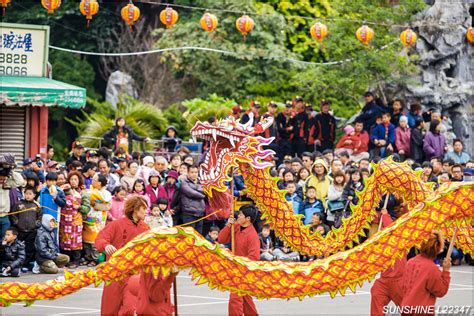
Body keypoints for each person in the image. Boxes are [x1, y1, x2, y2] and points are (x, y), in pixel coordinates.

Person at [95, 195, 150, 315]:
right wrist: (106, 245)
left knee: (130, 308)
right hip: (114, 273)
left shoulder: (145, 228)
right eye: (144, 209)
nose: (146, 212)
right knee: (110, 309)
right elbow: (101, 238)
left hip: (134, 274)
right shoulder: (117, 224)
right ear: (135, 210)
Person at [218, 205, 260, 316]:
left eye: (241, 214)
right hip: (235, 267)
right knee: (246, 300)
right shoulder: (236, 226)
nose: (238, 216)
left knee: (235, 299)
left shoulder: (253, 236)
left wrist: (240, 265)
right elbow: (221, 239)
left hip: (244, 271)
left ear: (248, 219)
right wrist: (228, 225)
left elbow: (254, 258)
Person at [400, 231, 451, 316]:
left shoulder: (410, 262)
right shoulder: (431, 268)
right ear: (437, 249)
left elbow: (403, 286)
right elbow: (441, 291)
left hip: (406, 308)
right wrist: (446, 271)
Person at [370, 209, 406, 316]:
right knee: (376, 291)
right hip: (384, 281)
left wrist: (385, 215)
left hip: (400, 280)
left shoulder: (400, 235)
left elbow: (393, 230)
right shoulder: (378, 242)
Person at [83, 174, 112, 267]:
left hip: (98, 220)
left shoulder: (105, 194)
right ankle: (88, 257)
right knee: (86, 240)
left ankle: (95, 259)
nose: (93, 181)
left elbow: (106, 205)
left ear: (100, 183)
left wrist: (95, 204)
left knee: (95, 240)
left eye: (95, 179)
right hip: (89, 218)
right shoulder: (89, 191)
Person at [10, 186, 42, 270]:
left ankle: (26, 264)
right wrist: (16, 223)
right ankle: (18, 264)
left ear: (34, 195)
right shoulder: (19, 204)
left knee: (29, 248)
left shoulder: (36, 205)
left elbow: (40, 216)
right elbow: (13, 214)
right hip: (20, 230)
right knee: (19, 247)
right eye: (26, 193)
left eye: (30, 194)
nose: (28, 195)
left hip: (31, 231)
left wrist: (36, 224)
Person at [0, 154, 26, 238]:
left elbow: (20, 181)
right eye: (0, 179)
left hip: (4, 217)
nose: (2, 181)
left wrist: (11, 171)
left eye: (4, 179)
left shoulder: (7, 183)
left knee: (5, 239)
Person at [39, 172, 67, 245]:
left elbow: (63, 204)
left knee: (54, 235)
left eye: (53, 181)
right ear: (46, 181)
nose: (51, 183)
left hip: (55, 218)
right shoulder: (42, 191)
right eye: (49, 181)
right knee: (43, 235)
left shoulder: (59, 191)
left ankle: (55, 252)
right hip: (43, 217)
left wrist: (55, 197)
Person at [180, 164, 206, 234]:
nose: (194, 174)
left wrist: (197, 189)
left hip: (200, 213)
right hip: (189, 213)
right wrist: (202, 194)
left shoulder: (201, 182)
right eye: (192, 172)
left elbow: (206, 191)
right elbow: (191, 193)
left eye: (196, 172)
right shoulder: (184, 182)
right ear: (188, 173)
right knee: (189, 236)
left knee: (198, 236)